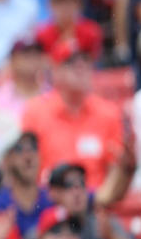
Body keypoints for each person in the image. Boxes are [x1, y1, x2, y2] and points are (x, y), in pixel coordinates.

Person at [22, 44, 123, 189]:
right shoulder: (35, 112)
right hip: (50, 200)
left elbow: (115, 169)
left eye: (86, 61)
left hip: (96, 202)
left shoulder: (109, 113)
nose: (80, 67)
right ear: (55, 71)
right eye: (70, 62)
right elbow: (27, 167)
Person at [39, 163, 136, 239]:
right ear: (54, 193)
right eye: (68, 185)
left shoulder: (101, 221)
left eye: (81, 183)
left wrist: (110, 238)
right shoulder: (45, 226)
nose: (77, 191)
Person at [0, 132, 54, 239]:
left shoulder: (52, 200)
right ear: (7, 160)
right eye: (19, 149)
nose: (28, 156)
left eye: (34, 148)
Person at [34, 0, 102, 61]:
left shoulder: (91, 31)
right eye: (60, 2)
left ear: (80, 5)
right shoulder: (41, 34)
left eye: (71, 3)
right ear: (50, 5)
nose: (66, 8)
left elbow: (94, 64)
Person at [0, 39, 47, 125]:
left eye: (36, 55)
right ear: (12, 60)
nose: (32, 60)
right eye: (26, 55)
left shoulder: (51, 93)